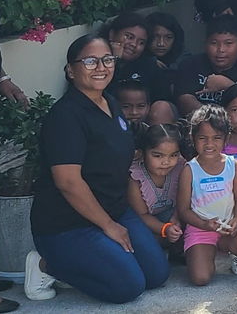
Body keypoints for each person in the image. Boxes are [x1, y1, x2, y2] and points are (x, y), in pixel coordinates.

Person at [25, 36, 163, 306]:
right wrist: (108, 226)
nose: (100, 67)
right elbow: (67, 182)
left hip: (114, 209)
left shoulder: (110, 102)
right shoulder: (65, 116)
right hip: (68, 223)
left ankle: (99, 257)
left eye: (107, 59)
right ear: (70, 70)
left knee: (156, 275)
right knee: (127, 287)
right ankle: (46, 265)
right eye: (89, 61)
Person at [174, 102, 237, 286]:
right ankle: (205, 253)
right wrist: (204, 224)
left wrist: (236, 220)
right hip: (199, 229)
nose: (209, 144)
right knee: (201, 278)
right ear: (193, 138)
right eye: (203, 138)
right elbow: (183, 209)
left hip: (226, 228)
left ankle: (228, 251)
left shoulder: (233, 165)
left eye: (216, 138)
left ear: (226, 139)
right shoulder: (189, 169)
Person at [173, 16, 237, 115]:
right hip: (199, 123)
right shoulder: (190, 64)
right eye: (214, 43)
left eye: (228, 43)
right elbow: (184, 100)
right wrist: (213, 118)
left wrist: (230, 87)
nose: (221, 50)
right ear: (205, 44)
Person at [103, 13, 175, 125]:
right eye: (129, 37)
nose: (134, 44)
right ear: (112, 35)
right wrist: (114, 61)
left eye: (141, 42)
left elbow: (163, 99)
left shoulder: (148, 65)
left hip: (144, 123)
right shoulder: (96, 59)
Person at [128, 124, 187, 256]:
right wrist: (165, 229)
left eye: (173, 155)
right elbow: (141, 215)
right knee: (144, 240)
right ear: (143, 154)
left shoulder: (181, 167)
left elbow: (186, 200)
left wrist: (177, 217)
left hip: (174, 216)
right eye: (158, 156)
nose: (166, 162)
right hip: (148, 222)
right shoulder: (135, 177)